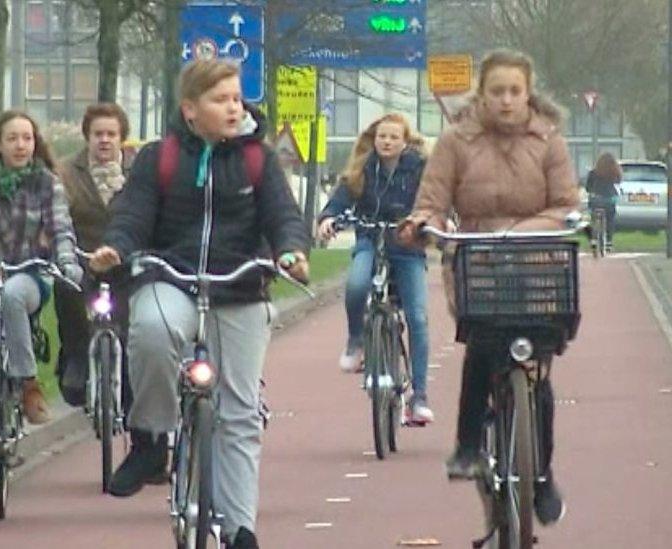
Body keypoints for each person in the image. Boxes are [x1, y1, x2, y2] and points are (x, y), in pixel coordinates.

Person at [89, 59, 310, 549]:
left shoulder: (259, 159)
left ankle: (240, 528)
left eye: (236, 98)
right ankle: (150, 438)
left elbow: (282, 216)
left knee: (239, 412)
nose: (234, 107)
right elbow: (133, 214)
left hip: (240, 284)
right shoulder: (158, 157)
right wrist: (117, 248)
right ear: (191, 110)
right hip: (171, 276)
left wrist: (292, 252)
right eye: (221, 100)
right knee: (149, 332)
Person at [398, 49, 579, 526]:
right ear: (482, 93)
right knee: (481, 345)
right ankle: (468, 446)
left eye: (514, 91)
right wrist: (422, 223)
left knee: (536, 368)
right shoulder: (457, 141)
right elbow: (433, 199)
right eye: (496, 91)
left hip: (539, 264)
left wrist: (524, 232)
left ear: (528, 93)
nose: (505, 100)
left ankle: (541, 476)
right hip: (476, 260)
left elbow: (566, 203)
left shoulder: (549, 142)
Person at [0, 110, 83, 425]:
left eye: (27, 138)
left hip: (28, 275)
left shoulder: (46, 184)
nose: (20, 145)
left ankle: (28, 381)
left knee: (14, 295)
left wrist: (67, 263)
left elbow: (61, 230)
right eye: (12, 138)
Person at [315, 113, 434, 425]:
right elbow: (339, 200)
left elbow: (433, 202)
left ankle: (418, 396)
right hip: (370, 239)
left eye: (394, 137)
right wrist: (329, 218)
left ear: (405, 141)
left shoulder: (420, 169)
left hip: (407, 247)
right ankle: (356, 340)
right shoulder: (363, 168)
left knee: (418, 317)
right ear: (374, 138)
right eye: (382, 136)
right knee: (356, 284)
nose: (387, 142)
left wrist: (425, 221)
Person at [54, 102, 135, 407]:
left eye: (111, 134)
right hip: (82, 259)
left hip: (125, 263)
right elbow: (59, 216)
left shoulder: (137, 172)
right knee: (66, 287)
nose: (104, 140)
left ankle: (127, 380)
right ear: (87, 137)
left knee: (133, 315)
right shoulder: (65, 173)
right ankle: (76, 358)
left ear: (121, 138)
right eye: (97, 133)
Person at [585, 152, 622, 249]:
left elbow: (587, 188)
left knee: (593, 217)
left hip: (596, 199)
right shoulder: (614, 171)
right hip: (609, 199)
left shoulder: (593, 172)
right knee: (610, 218)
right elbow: (618, 181)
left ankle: (593, 238)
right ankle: (609, 241)